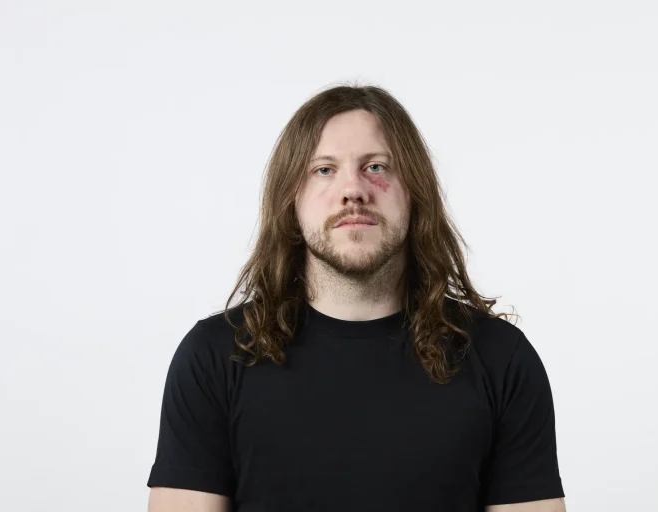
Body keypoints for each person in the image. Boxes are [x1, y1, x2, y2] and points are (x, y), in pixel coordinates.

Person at [146, 83, 567, 512]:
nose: (353, 190)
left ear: (415, 191)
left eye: (376, 166)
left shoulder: (501, 359)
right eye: (324, 170)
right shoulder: (214, 357)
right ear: (291, 199)